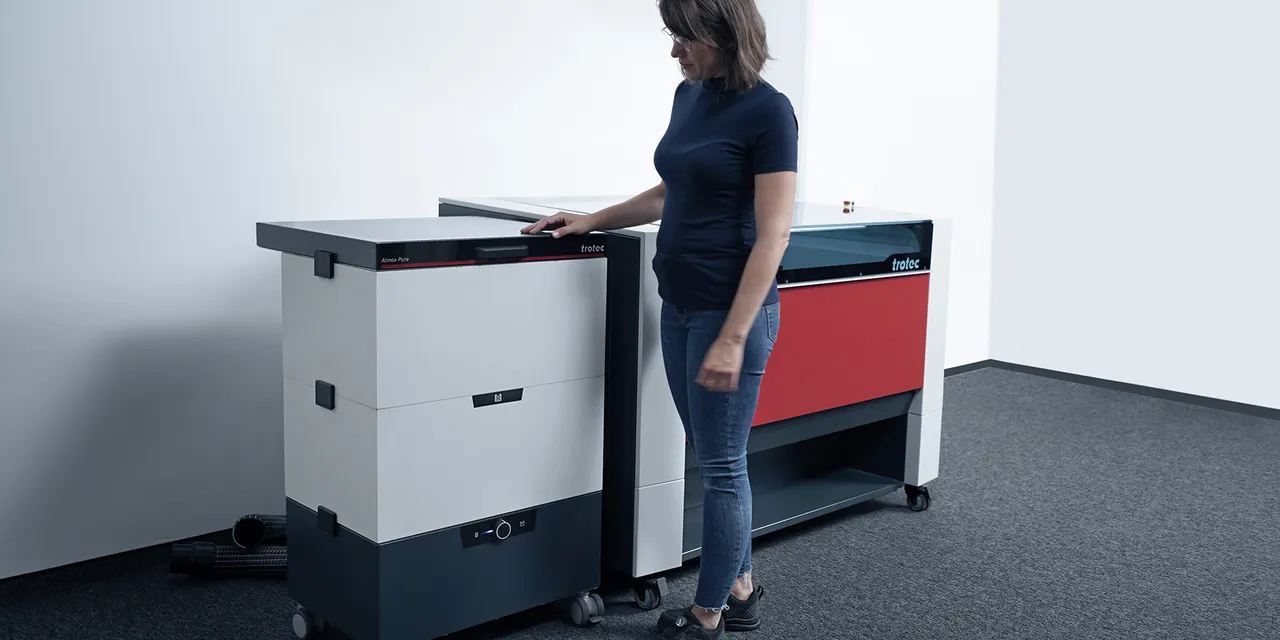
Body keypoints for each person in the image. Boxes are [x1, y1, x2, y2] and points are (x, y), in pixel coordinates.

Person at [521, 0, 796, 636]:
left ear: (725, 35)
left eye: (685, 38)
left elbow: (774, 235)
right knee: (716, 453)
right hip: (677, 303)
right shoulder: (689, 96)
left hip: (730, 316)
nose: (675, 52)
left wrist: (731, 337)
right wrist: (592, 220)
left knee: (722, 467)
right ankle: (743, 586)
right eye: (673, 37)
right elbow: (674, 188)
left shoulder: (770, 111)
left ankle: (706, 615)